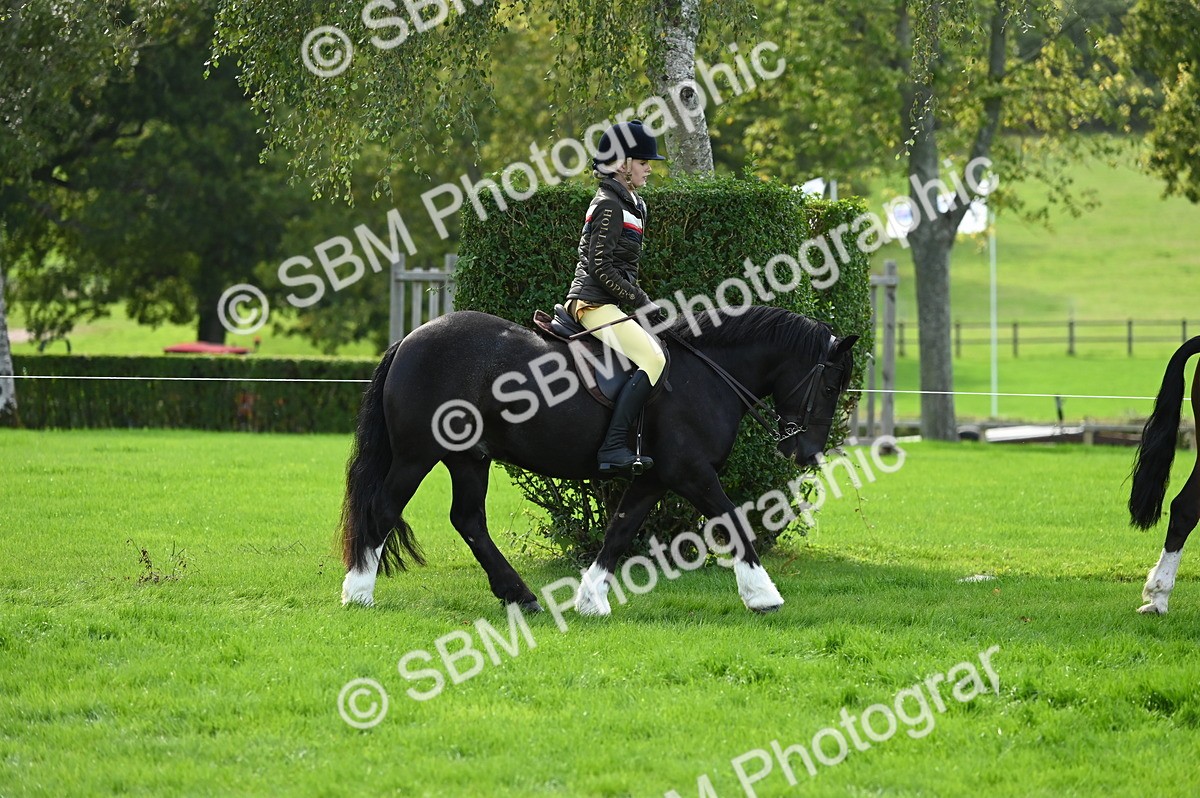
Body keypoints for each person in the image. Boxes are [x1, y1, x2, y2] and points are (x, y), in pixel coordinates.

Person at [565, 119, 668, 475]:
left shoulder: (631, 203)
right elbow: (601, 269)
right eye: (643, 162)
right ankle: (612, 447)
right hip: (591, 304)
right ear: (622, 164)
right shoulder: (610, 204)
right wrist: (642, 301)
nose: (649, 168)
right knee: (653, 360)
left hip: (608, 303)